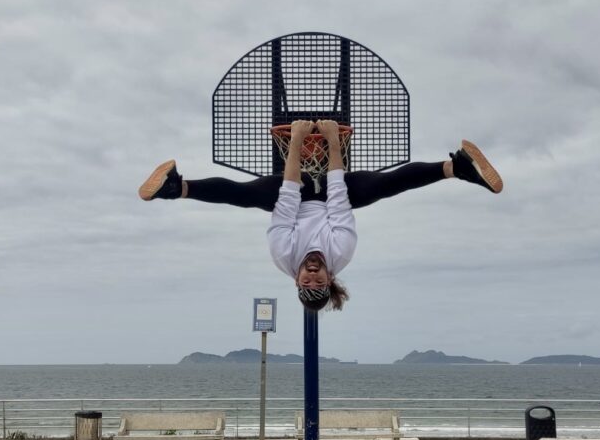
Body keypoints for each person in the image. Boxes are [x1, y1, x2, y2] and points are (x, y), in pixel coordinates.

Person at [138, 120, 502, 312]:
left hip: (292, 197)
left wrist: (297, 139)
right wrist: (331, 140)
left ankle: (174, 188)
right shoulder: (342, 252)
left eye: (306, 281)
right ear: (330, 279)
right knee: (381, 186)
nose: (313, 274)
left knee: (247, 195)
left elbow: (287, 197)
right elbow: (339, 195)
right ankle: (458, 168)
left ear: (296, 279)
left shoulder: (283, 254)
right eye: (319, 281)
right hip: (331, 196)